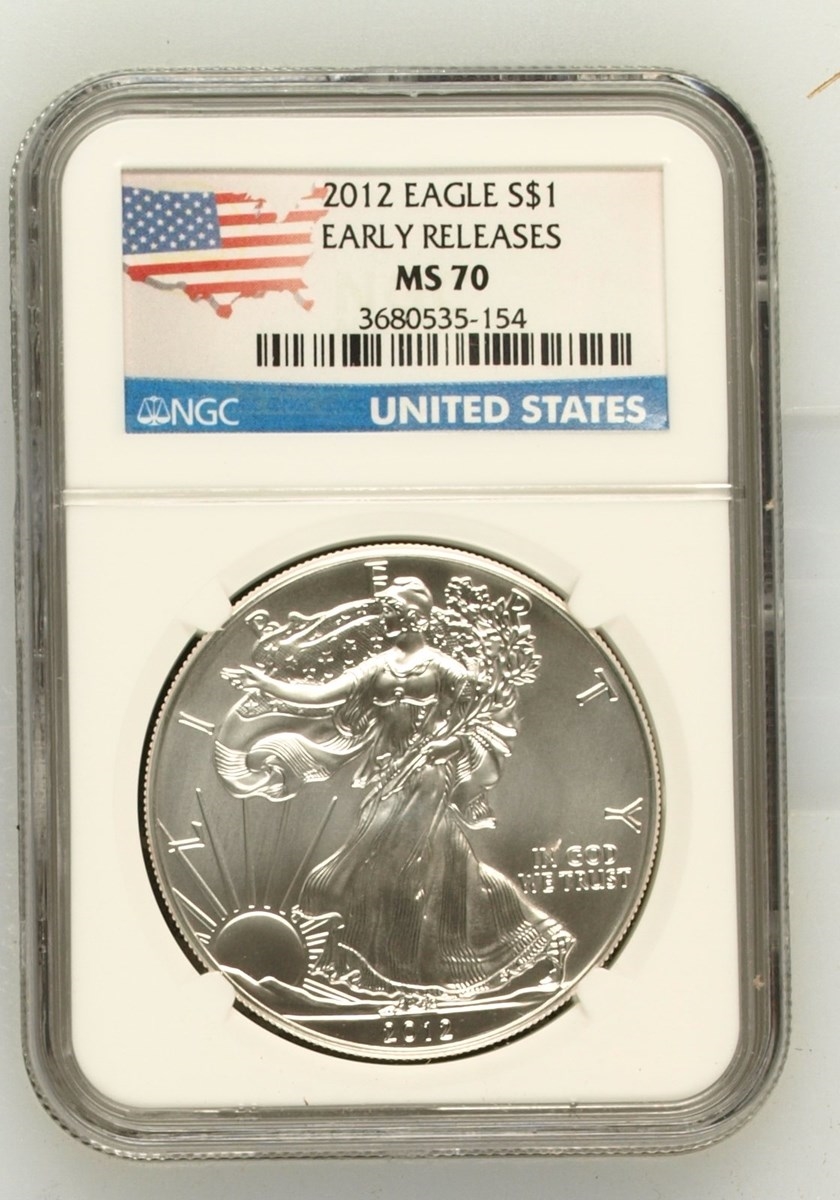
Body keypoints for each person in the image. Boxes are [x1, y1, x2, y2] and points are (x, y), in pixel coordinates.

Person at [219, 577, 573, 998]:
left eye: (391, 612)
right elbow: (321, 696)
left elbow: (484, 717)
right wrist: (267, 685)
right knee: (449, 869)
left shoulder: (442, 667)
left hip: (428, 778)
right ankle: (537, 939)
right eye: (384, 611)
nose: (384, 618)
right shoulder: (378, 667)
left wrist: (451, 744)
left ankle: (409, 974)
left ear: (415, 617)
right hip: (390, 777)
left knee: (389, 871)